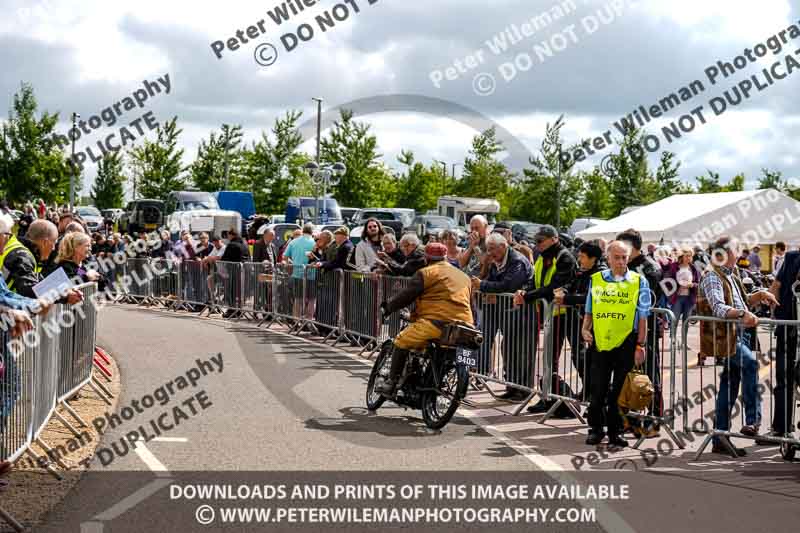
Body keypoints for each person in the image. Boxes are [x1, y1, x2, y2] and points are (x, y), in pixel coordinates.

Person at [697, 235, 778, 456]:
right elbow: (719, 308)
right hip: (728, 338)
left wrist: (759, 295)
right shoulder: (712, 276)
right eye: (735, 249)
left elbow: (739, 302)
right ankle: (753, 421)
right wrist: (743, 313)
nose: (739, 252)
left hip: (739, 336)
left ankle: (720, 436)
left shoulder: (731, 275)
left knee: (729, 384)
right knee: (750, 364)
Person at [377, 242, 473, 396]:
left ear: (426, 258)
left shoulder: (426, 273)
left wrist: (387, 307)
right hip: (464, 327)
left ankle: (391, 383)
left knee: (401, 341)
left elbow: (406, 296)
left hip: (436, 323)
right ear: (445, 258)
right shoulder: (464, 276)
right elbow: (470, 304)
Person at [581, 240, 651, 448]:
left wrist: (641, 344)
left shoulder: (639, 282)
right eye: (617, 257)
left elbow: (643, 316)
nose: (621, 262)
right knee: (598, 388)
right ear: (608, 258)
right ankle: (595, 429)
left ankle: (616, 432)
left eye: (624, 257)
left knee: (620, 391)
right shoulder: (596, 280)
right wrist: (585, 329)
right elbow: (589, 309)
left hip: (627, 342)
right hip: (600, 341)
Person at [513, 224, 577, 411]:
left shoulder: (564, 257)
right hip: (550, 314)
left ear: (554, 239)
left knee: (576, 359)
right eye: (536, 240)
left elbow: (553, 288)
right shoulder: (542, 257)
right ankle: (547, 398)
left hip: (565, 315)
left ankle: (582, 399)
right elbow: (534, 281)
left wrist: (527, 296)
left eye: (541, 240)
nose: (537, 244)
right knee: (549, 359)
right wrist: (524, 291)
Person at [617, 228, 664, 436]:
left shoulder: (649, 267)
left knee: (650, 375)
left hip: (645, 330)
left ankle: (655, 419)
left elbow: (645, 299)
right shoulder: (626, 266)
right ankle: (630, 419)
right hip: (625, 329)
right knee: (628, 376)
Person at [557, 239, 606, 402]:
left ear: (593, 258)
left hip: (596, 326)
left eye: (583, 257)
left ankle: (596, 396)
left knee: (593, 362)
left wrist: (567, 299)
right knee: (580, 359)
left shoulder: (601, 274)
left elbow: (590, 297)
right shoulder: (582, 271)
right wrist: (562, 292)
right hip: (579, 322)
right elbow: (570, 285)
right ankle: (588, 390)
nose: (580, 260)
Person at [764, 246, 800, 444]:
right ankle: (781, 428)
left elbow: (775, 287)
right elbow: (776, 287)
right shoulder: (792, 257)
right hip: (788, 326)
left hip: (788, 325)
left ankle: (781, 428)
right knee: (784, 378)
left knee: (784, 377)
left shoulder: (792, 257)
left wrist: (773, 312)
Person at [1, 219, 83, 303]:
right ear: (45, 242)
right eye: (87, 245)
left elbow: (38, 280)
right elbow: (29, 289)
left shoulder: (27, 252)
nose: (54, 248)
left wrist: (64, 289)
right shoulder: (23, 256)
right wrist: (64, 295)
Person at [665, 248, 700, 354]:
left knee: (686, 321)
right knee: (674, 320)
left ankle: (684, 343)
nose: (688, 258)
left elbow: (698, 283)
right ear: (682, 256)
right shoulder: (674, 267)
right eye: (686, 255)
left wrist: (692, 285)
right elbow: (667, 281)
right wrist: (676, 285)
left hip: (689, 298)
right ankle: (673, 341)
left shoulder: (693, 268)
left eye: (690, 255)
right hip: (677, 297)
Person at [283, 223, 316, 319]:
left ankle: (296, 320)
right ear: (312, 232)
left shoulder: (293, 242)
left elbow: (285, 257)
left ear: (303, 231)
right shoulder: (314, 243)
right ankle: (309, 320)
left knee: (298, 299)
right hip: (311, 274)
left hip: (297, 274)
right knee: (311, 299)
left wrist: (289, 262)